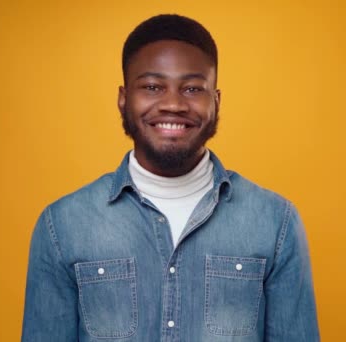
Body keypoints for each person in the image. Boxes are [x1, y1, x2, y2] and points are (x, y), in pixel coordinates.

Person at [21, 14, 319, 342]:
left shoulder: (276, 222)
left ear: (216, 101)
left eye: (192, 88)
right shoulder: (62, 226)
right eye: (152, 87)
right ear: (123, 98)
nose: (174, 104)